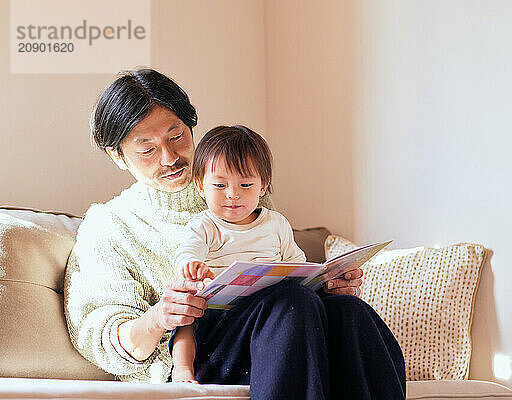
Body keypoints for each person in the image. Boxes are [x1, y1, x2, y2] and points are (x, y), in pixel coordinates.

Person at [63, 68, 406, 399]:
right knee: (291, 303)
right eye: (147, 148)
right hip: (197, 353)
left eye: (176, 136)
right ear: (118, 155)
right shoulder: (108, 226)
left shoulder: (237, 192)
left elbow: (283, 270)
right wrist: (158, 318)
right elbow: (100, 336)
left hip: (274, 329)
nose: (169, 157)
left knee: (349, 311)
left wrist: (325, 286)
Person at [169, 125, 307, 383]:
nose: (232, 194)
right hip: (216, 312)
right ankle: (183, 370)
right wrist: (191, 265)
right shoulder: (205, 225)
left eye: (245, 184)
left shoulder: (276, 223)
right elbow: (186, 252)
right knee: (186, 317)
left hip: (266, 310)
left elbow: (296, 264)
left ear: (263, 186)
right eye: (220, 184)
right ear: (200, 185)